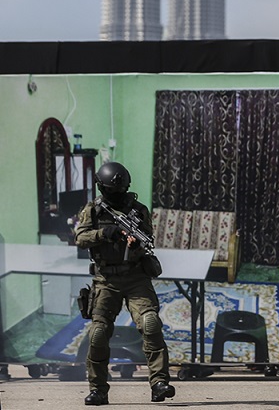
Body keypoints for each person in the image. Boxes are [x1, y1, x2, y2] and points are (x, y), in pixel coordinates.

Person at [74, 162, 174, 406]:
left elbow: (147, 240)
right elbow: (80, 238)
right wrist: (104, 234)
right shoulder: (93, 210)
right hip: (106, 280)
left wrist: (134, 246)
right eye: (112, 190)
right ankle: (98, 389)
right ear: (102, 188)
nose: (117, 195)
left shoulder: (138, 211)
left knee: (150, 322)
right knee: (98, 333)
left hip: (135, 276)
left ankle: (159, 383)